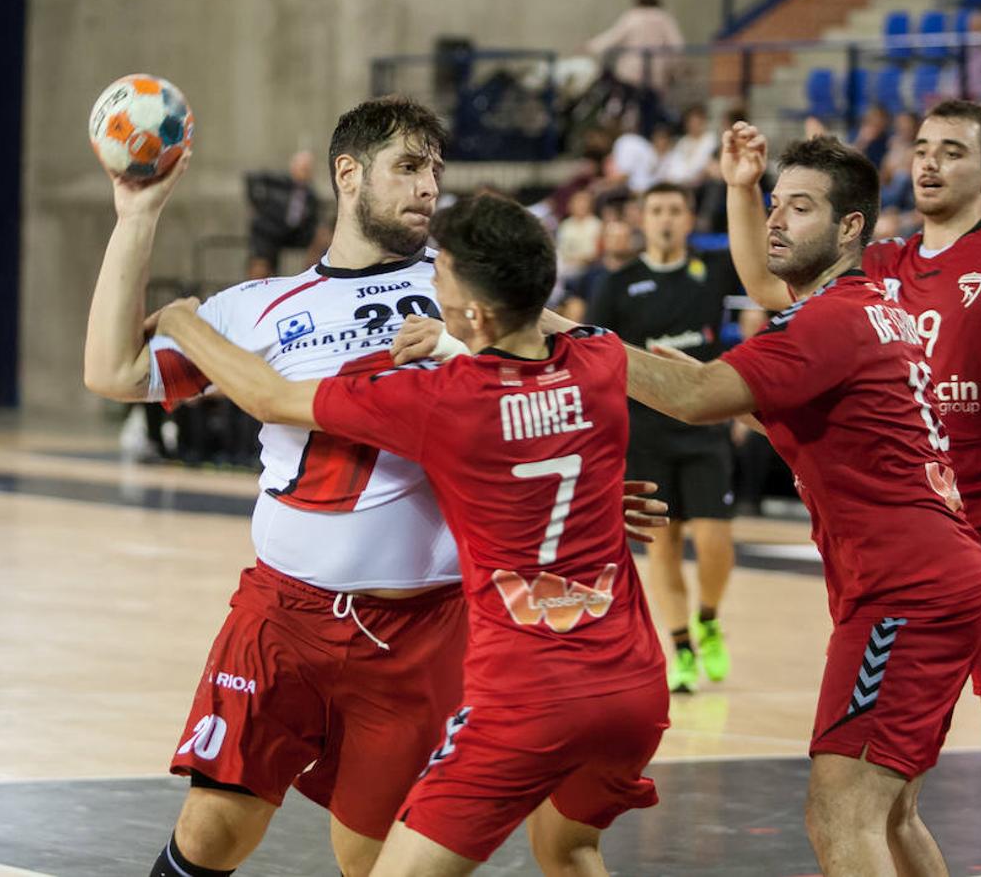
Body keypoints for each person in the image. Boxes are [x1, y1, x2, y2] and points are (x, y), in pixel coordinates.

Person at [83, 96, 667, 877]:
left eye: (435, 170)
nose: (428, 187)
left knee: (370, 859)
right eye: (408, 167)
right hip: (282, 618)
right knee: (211, 828)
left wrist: (575, 489)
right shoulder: (258, 307)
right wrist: (137, 214)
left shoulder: (467, 293)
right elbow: (112, 373)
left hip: (420, 633)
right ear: (347, 175)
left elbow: (557, 392)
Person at [546, 135, 981, 874]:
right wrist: (739, 187)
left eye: (800, 207)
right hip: (933, 578)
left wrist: (545, 329)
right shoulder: (872, 306)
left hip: (903, 591)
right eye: (773, 205)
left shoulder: (824, 321)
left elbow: (692, 399)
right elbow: (845, 424)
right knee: (891, 813)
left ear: (849, 227)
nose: (777, 220)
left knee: (839, 811)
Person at [726, 102, 981, 877]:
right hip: (919, 533)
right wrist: (741, 187)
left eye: (952, 152)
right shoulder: (884, 263)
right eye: (922, 147)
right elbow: (770, 281)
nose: (928, 162)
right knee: (890, 788)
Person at [587, 182, 739, 693]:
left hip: (704, 427)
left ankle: (710, 618)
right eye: (656, 210)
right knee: (664, 546)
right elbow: (596, 359)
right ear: (642, 220)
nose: (666, 218)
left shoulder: (712, 273)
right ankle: (679, 647)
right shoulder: (618, 284)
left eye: (675, 209)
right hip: (645, 435)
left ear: (689, 218)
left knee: (715, 539)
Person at [585, 0, 684, 97]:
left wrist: (590, 46)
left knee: (630, 102)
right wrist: (673, 68)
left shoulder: (633, 17)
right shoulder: (665, 19)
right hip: (655, 73)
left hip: (630, 72)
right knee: (652, 104)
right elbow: (677, 46)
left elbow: (613, 36)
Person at [244, 149, 326, 280]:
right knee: (261, 264)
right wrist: (256, 203)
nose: (304, 173)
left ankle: (312, 277)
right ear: (293, 167)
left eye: (307, 169)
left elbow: (313, 219)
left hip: (296, 233)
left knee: (322, 236)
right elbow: (251, 177)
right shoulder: (279, 181)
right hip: (270, 231)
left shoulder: (311, 194)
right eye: (302, 168)